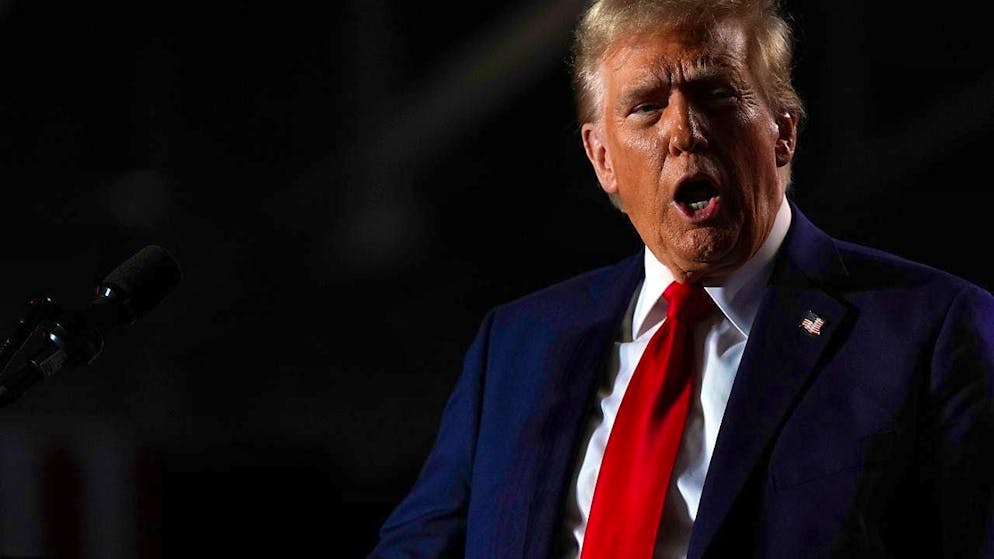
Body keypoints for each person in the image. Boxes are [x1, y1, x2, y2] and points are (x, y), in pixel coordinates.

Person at [368, 0, 994, 557]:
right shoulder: (515, 345)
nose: (682, 130)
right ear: (603, 159)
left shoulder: (936, 331)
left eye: (717, 94)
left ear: (783, 133)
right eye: (645, 107)